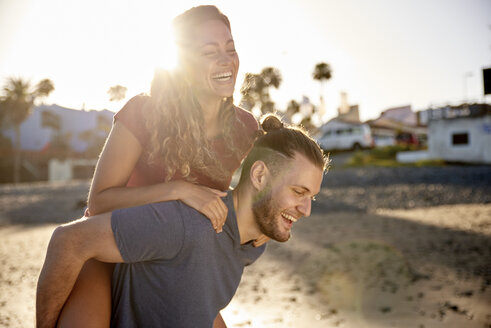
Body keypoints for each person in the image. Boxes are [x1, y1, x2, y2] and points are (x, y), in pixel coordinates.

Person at [56, 5, 267, 327]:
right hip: (110, 249)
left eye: (230, 48)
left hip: (177, 261)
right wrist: (179, 191)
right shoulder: (144, 110)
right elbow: (99, 201)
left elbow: (257, 189)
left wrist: (264, 219)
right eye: (210, 52)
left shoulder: (244, 128)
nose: (226, 60)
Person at [36, 115, 329, 327]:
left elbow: (197, 296)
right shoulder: (187, 223)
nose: (306, 209)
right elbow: (68, 240)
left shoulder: (253, 243)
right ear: (260, 176)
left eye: (311, 197)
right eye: (299, 192)